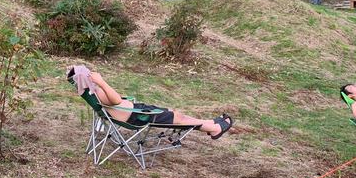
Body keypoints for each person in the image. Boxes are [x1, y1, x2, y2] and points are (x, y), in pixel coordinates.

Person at [69, 66, 233, 139]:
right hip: (138, 117)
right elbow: (116, 100)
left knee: (175, 114)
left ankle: (209, 123)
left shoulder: (87, 91)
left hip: (137, 111)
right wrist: (102, 81)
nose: (91, 72)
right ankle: (214, 128)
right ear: (84, 77)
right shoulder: (95, 91)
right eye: (88, 72)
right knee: (178, 118)